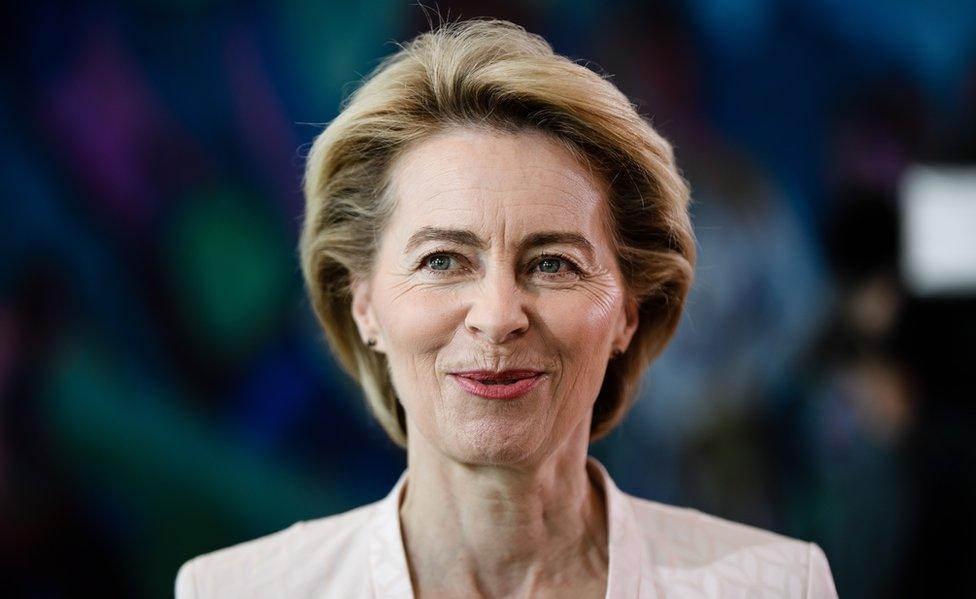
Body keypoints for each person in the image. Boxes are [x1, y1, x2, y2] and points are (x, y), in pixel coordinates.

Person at [175, 18, 838, 598]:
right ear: (364, 305)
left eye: (553, 263)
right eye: (442, 260)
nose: (497, 316)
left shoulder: (780, 587)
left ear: (629, 311)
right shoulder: (231, 591)